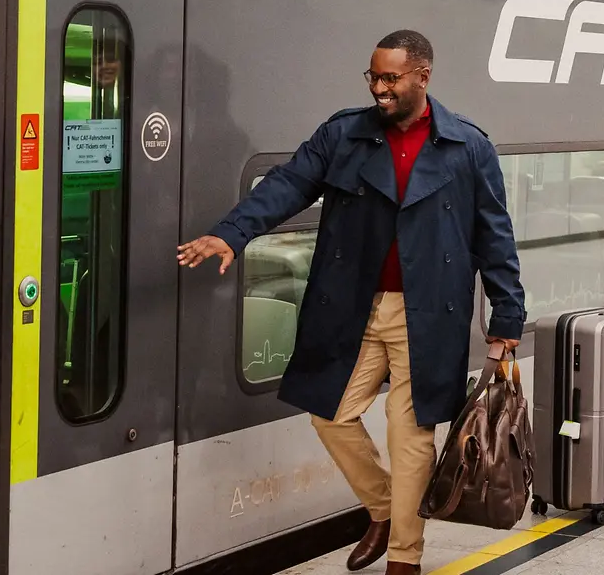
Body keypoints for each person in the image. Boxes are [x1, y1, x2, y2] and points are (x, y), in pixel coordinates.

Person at [177, 30, 525, 575]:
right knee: (331, 415)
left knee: (409, 437)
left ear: (422, 77)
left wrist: (507, 318)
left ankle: (404, 559)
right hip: (354, 309)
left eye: (391, 79)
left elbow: (494, 236)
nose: (380, 90)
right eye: (374, 77)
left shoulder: (467, 146)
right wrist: (232, 232)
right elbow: (288, 184)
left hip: (429, 315)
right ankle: (385, 509)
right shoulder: (344, 135)